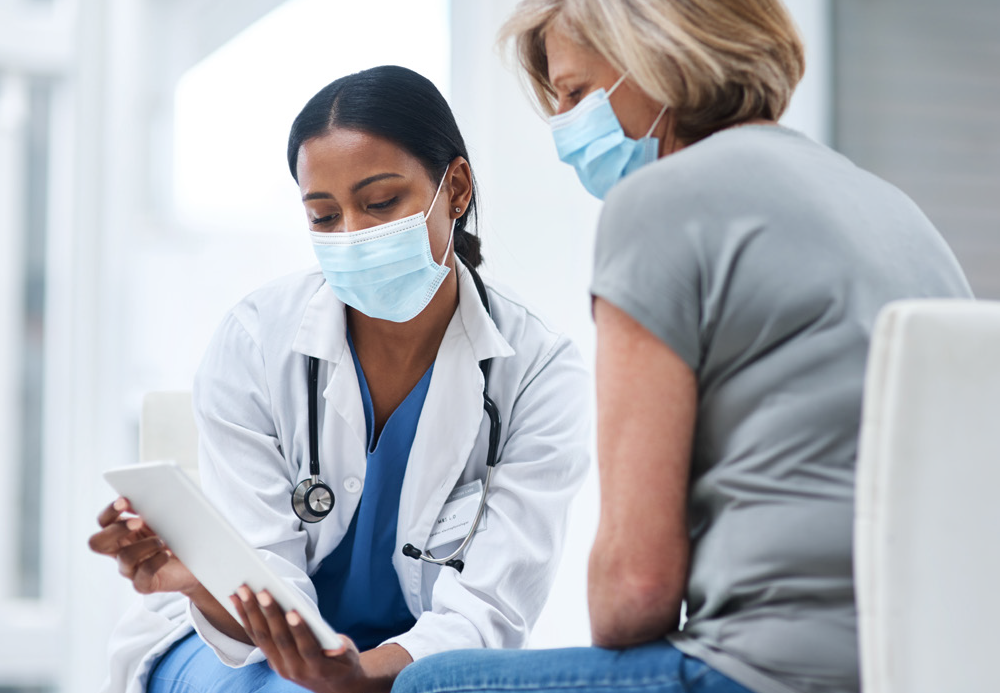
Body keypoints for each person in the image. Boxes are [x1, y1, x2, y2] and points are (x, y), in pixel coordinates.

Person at [391, 2, 973, 693]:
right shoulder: (892, 208)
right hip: (926, 666)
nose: (563, 126)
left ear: (657, 55)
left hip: (768, 673)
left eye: (575, 92)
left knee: (430, 684)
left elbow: (634, 592)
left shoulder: (660, 203)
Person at [89, 65, 590, 693]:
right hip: (234, 650)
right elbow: (262, 588)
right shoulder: (255, 342)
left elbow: (488, 611)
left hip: (412, 664)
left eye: (380, 203)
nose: (353, 235)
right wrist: (201, 581)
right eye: (324, 217)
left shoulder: (538, 370)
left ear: (455, 189)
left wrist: (360, 674)